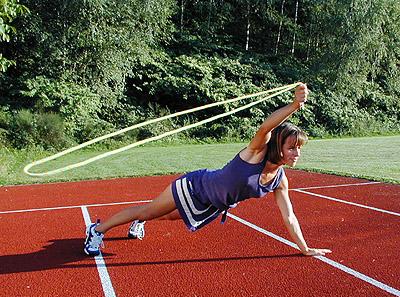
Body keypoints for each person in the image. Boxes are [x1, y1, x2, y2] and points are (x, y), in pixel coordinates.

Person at [84, 83, 331, 257]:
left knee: (168, 216)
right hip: (195, 186)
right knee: (149, 209)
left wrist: (304, 248)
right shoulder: (257, 152)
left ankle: (138, 221)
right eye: (292, 148)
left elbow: (289, 217)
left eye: (299, 149)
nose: (296, 153)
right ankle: (97, 230)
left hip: (211, 205)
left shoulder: (279, 179)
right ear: (279, 144)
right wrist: (294, 106)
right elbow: (266, 127)